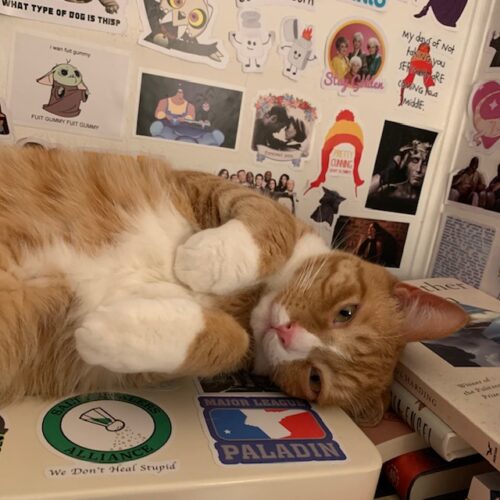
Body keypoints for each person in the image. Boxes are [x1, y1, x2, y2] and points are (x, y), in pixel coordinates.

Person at [367, 141, 432, 214]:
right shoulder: (388, 190)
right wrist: (386, 173)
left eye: (425, 164)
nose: (418, 169)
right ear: (406, 163)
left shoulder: (429, 199)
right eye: (414, 161)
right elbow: (360, 198)